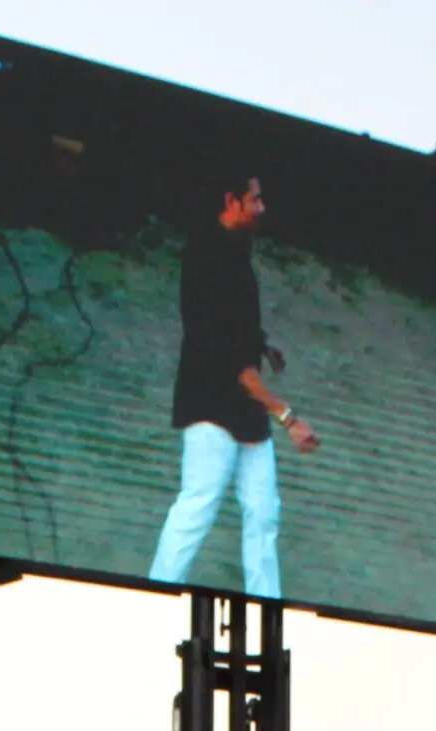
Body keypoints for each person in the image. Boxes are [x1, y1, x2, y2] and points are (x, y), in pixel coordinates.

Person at [146, 170, 322, 598]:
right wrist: (288, 416)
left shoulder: (233, 249)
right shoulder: (209, 255)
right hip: (211, 402)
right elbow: (228, 355)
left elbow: (236, 324)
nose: (261, 207)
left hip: (242, 408)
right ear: (231, 200)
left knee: (263, 511)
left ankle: (267, 603)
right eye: (255, 199)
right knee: (199, 504)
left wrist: (262, 345)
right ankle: (156, 590)